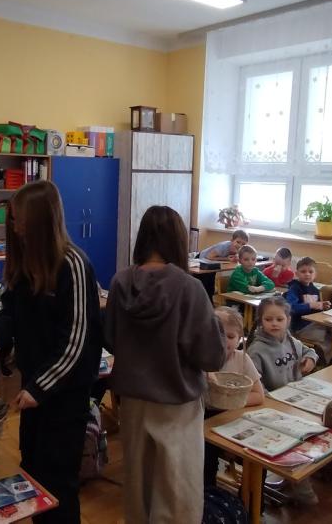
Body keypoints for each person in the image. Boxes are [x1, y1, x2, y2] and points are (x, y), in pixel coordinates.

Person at [0, 181, 103, 524]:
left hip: (64, 393)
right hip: (34, 387)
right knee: (32, 468)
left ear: (41, 219)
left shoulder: (73, 264)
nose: (15, 227)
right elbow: (11, 310)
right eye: (13, 219)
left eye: (20, 219)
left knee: (59, 480)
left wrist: (39, 387)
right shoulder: (25, 259)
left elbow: (76, 340)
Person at [104, 205, 226, 523]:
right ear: (177, 240)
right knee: (177, 496)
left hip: (132, 401)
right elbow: (211, 357)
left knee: (138, 491)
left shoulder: (120, 282)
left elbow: (111, 340)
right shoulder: (189, 288)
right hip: (177, 403)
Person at [244, 296, 319, 505]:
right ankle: (302, 491)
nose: (274, 324)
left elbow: (309, 350)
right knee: (295, 442)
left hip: (296, 402)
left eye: (279, 319)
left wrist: (310, 359)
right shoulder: (256, 351)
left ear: (288, 320)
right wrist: (273, 401)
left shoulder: (290, 340)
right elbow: (255, 386)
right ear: (260, 321)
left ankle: (305, 474)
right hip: (273, 408)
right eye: (268, 319)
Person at [204, 307, 263, 489]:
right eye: (218, 334)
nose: (223, 341)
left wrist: (232, 402)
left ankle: (251, 501)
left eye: (230, 336)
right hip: (205, 419)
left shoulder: (242, 359)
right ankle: (208, 495)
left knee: (258, 455)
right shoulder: (199, 359)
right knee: (206, 458)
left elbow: (258, 395)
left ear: (239, 340)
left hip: (233, 415)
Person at [284, 256, 332, 356]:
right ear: (297, 273)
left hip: (313, 323)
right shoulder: (294, 288)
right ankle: (319, 357)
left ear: (315, 274)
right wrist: (310, 305)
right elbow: (291, 308)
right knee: (329, 337)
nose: (307, 274)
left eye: (310, 272)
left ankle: (324, 357)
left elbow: (315, 309)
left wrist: (322, 306)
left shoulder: (315, 290)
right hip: (300, 327)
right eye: (303, 271)